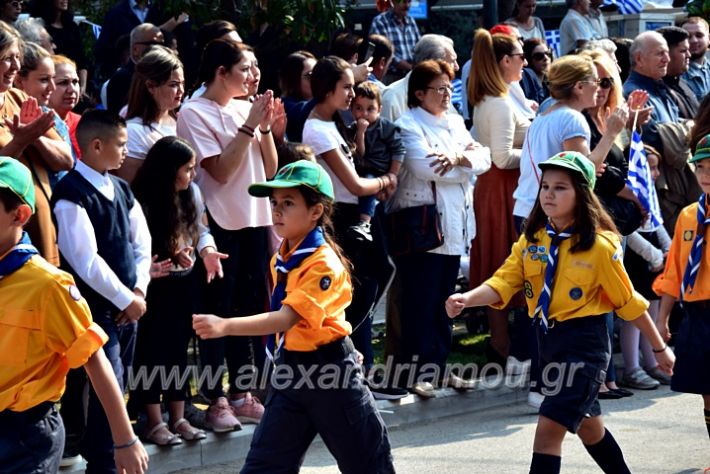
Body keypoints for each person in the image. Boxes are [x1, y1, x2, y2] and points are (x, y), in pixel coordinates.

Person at [446, 151, 675, 474]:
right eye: (546, 187)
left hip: (585, 345)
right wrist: (467, 298)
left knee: (547, 433)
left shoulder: (600, 246)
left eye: (560, 188)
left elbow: (629, 302)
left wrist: (659, 347)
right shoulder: (533, 240)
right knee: (590, 428)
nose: (549, 194)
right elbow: (504, 281)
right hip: (549, 343)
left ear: (582, 195)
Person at [193, 159, 395, 473]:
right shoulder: (283, 257)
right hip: (291, 372)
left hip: (331, 375)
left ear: (316, 211)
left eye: (288, 203)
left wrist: (225, 325)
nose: (277, 211)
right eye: (273, 203)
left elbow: (287, 318)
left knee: (369, 465)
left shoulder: (322, 263)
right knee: (264, 466)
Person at [0, 157, 149, 474]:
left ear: (20, 215)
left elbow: (95, 359)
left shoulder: (48, 285)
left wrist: (124, 440)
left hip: (26, 435)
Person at [177, 38, 277, 432]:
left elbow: (269, 168)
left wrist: (264, 127)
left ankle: (243, 391)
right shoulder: (194, 112)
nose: (254, 75)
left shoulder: (243, 108)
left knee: (249, 310)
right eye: (245, 69)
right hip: (219, 223)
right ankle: (214, 396)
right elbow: (219, 170)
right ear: (221, 72)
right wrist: (251, 124)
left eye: (255, 68)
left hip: (254, 219)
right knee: (216, 310)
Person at [51, 110, 152, 473]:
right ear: (96, 145)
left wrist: (138, 291)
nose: (125, 152)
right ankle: (105, 462)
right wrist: (125, 298)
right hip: (95, 312)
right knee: (104, 387)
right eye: (121, 145)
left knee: (116, 386)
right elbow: (85, 261)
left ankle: (106, 460)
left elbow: (142, 243)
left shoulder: (122, 189)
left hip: (129, 309)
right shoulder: (71, 194)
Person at [391, 59, 491, 397]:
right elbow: (427, 167)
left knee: (447, 300)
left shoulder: (453, 121)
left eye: (449, 87)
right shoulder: (408, 125)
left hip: (455, 224)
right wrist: (461, 161)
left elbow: (484, 159)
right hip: (423, 227)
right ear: (419, 93)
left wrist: (460, 160)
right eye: (439, 89)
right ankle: (416, 371)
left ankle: (439, 367)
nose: (447, 94)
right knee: (420, 299)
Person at [302, 56, 397, 392]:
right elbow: (355, 183)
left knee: (371, 283)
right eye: (345, 87)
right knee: (356, 294)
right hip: (337, 217)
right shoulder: (316, 127)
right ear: (328, 90)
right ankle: (350, 368)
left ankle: (360, 368)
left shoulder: (334, 123)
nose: (351, 94)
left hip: (351, 213)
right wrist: (387, 181)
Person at [131, 136, 226, 445]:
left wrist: (204, 252)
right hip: (155, 285)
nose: (193, 174)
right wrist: (167, 258)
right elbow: (142, 247)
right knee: (152, 352)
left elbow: (199, 231)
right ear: (169, 170)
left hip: (185, 282)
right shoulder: (142, 200)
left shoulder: (192, 193)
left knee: (178, 352)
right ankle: (154, 421)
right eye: (188, 168)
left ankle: (179, 417)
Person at [468, 29, 530, 368]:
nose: (525, 61)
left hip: (500, 186)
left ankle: (502, 343)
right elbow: (503, 157)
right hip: (500, 186)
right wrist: (536, 150)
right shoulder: (500, 103)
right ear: (505, 61)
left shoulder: (498, 97)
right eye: (520, 56)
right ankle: (501, 344)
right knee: (500, 260)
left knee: (501, 258)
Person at [514, 55, 627, 231]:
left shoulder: (542, 117)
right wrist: (611, 133)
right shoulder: (572, 118)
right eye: (595, 81)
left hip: (527, 210)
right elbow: (585, 172)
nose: (598, 87)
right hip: (547, 215)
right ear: (579, 87)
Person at [0, 22, 72, 266]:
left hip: (42, 230)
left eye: (18, 58)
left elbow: (66, 160)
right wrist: (21, 141)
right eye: (8, 58)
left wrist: (35, 138)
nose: (16, 67)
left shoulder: (18, 98)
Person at [653, 133, 710, 441]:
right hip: (696, 315)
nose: (706, 175)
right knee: (705, 391)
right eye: (701, 167)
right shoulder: (689, 216)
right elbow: (674, 271)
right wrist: (661, 319)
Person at [621, 145, 672, 389]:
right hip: (637, 255)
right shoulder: (630, 192)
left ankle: (653, 363)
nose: (654, 174)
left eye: (655, 168)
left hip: (654, 254)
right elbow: (629, 232)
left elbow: (657, 221)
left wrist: (668, 248)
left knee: (653, 307)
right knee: (634, 313)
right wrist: (652, 255)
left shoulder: (649, 191)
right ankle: (632, 367)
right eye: (649, 168)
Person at [116, 46, 184, 183]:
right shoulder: (133, 131)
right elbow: (131, 187)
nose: (181, 90)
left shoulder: (180, 119)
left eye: (182, 83)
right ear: (150, 86)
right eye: (173, 85)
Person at [350, 81, 405, 242]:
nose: (364, 114)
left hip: (378, 170)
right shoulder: (352, 128)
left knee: (367, 182)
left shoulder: (386, 127)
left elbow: (399, 150)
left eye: (370, 109)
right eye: (359, 108)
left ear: (379, 110)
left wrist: (392, 175)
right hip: (359, 168)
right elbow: (358, 153)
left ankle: (365, 223)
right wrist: (359, 133)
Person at [27, 0, 88, 95]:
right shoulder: (40, 28)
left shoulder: (72, 27)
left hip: (73, 84)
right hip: (50, 86)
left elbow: (82, 61)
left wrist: (82, 87)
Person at [106, 23, 164, 114]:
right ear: (135, 49)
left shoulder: (164, 74)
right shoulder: (121, 78)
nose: (161, 49)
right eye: (154, 44)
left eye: (163, 45)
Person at [369, 0, 421, 83]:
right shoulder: (380, 21)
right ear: (392, 2)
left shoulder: (411, 21)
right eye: (403, 2)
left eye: (409, 1)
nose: (407, 5)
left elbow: (419, 46)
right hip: (391, 77)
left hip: (412, 75)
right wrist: (410, 67)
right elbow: (383, 51)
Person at [658, 26, 699, 120]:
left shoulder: (683, 83)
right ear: (666, 54)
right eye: (683, 51)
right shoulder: (657, 90)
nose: (689, 55)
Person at [48, 54, 81, 158]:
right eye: (63, 83)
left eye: (75, 82)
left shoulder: (82, 123)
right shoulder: (34, 125)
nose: (72, 90)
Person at [279, 50, 316, 142]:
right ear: (293, 79)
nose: (317, 79)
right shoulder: (284, 105)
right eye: (311, 75)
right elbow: (304, 110)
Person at [681, 17, 710, 102]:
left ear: (709, 39)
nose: (694, 40)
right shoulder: (676, 75)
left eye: (699, 35)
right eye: (688, 36)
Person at [521, 38, 551, 104]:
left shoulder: (553, 83)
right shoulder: (524, 85)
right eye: (539, 56)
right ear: (528, 59)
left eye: (548, 53)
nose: (546, 58)